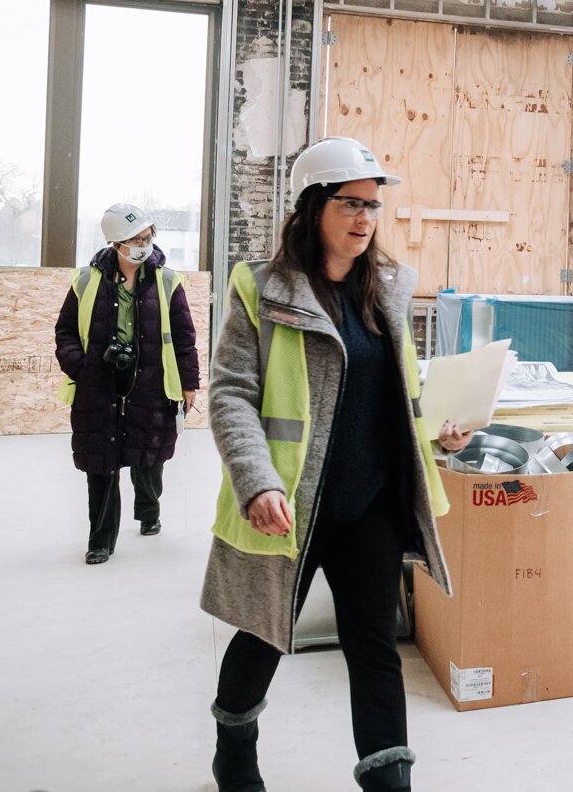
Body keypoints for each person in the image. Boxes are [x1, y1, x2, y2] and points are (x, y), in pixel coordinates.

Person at [201, 136, 473, 792]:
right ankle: (234, 748)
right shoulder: (261, 289)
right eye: (351, 203)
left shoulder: (387, 290)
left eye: (373, 206)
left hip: (371, 502)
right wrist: (256, 479)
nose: (364, 219)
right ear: (313, 205)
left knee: (374, 646)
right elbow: (231, 392)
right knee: (264, 633)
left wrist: (441, 429)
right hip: (288, 504)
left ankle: (389, 782)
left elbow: (397, 395)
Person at [54, 204, 200, 565]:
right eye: (136, 239)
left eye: (148, 237)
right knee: (101, 463)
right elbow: (65, 331)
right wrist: (81, 367)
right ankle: (100, 539)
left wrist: (189, 382)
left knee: (149, 456)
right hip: (99, 384)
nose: (144, 245)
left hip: (152, 381)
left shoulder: (167, 280)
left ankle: (149, 511)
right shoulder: (86, 281)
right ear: (116, 243)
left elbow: (184, 336)